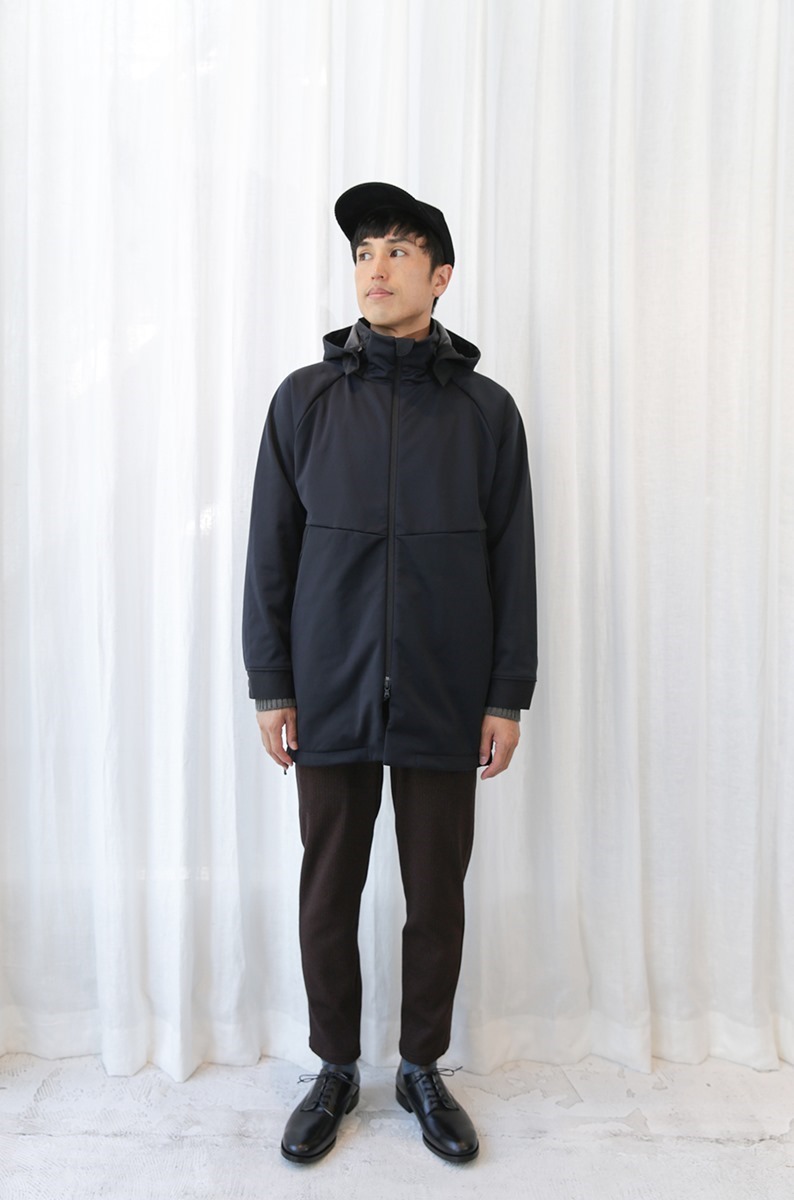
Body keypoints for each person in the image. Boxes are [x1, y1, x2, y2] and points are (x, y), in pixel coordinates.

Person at [243, 181, 537, 1164]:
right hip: (328, 688)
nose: (375, 267)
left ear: (439, 277)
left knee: (436, 894)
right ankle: (333, 1068)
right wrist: (272, 684)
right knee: (327, 888)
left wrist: (505, 695)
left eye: (398, 251)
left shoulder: (486, 414)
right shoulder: (305, 402)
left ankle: (419, 1067)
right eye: (364, 251)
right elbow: (271, 555)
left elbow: (513, 562)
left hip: (446, 691)